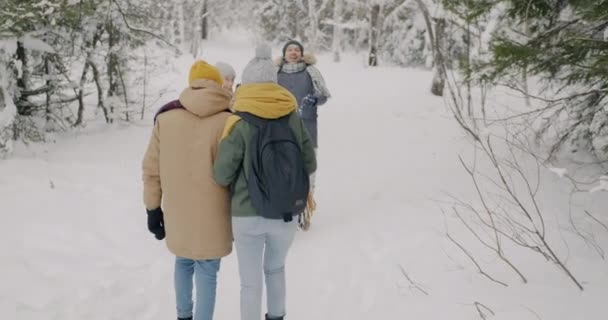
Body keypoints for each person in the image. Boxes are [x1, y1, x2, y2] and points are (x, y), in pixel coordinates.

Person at [213, 44, 317, 320]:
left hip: (246, 214)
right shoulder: (292, 116)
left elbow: (222, 174)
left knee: (250, 282)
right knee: (275, 269)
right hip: (285, 211)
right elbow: (311, 162)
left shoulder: (237, 121)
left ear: (246, 84)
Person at [142, 60, 233, 320]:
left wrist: (152, 208)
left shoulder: (166, 118)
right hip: (215, 210)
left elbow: (151, 169)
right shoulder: (229, 119)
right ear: (216, 83)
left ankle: (184, 316)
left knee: (183, 260)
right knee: (207, 268)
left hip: (178, 210)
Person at [276, 39, 331, 229]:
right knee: (284, 172)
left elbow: (323, 95)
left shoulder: (311, 72)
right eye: (289, 50)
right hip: (281, 129)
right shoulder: (276, 73)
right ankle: (285, 210)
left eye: (296, 50)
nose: (293, 52)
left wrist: (314, 100)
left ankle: (305, 210)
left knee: (308, 171)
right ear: (284, 54)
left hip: (307, 127)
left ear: (301, 53)